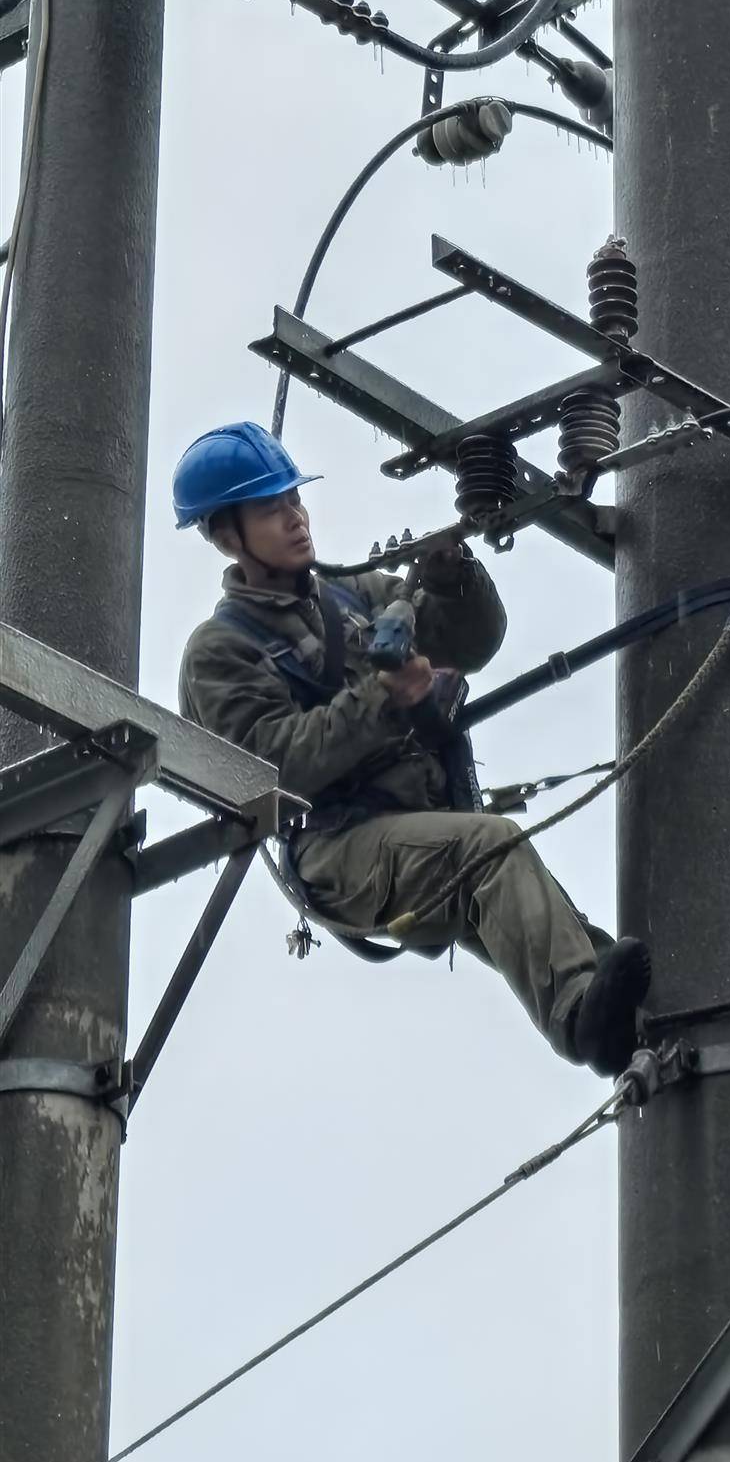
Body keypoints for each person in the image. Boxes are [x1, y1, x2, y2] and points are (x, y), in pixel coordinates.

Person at [174, 421, 650, 1074]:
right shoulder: (221, 649)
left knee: (516, 889)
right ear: (227, 535)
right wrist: (384, 698)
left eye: (294, 500)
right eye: (269, 509)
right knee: (489, 850)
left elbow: (473, 643)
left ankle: (637, 1018)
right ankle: (578, 1014)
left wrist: (454, 581)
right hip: (337, 848)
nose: (293, 518)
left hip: (416, 820)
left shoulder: (358, 595)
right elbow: (268, 767)